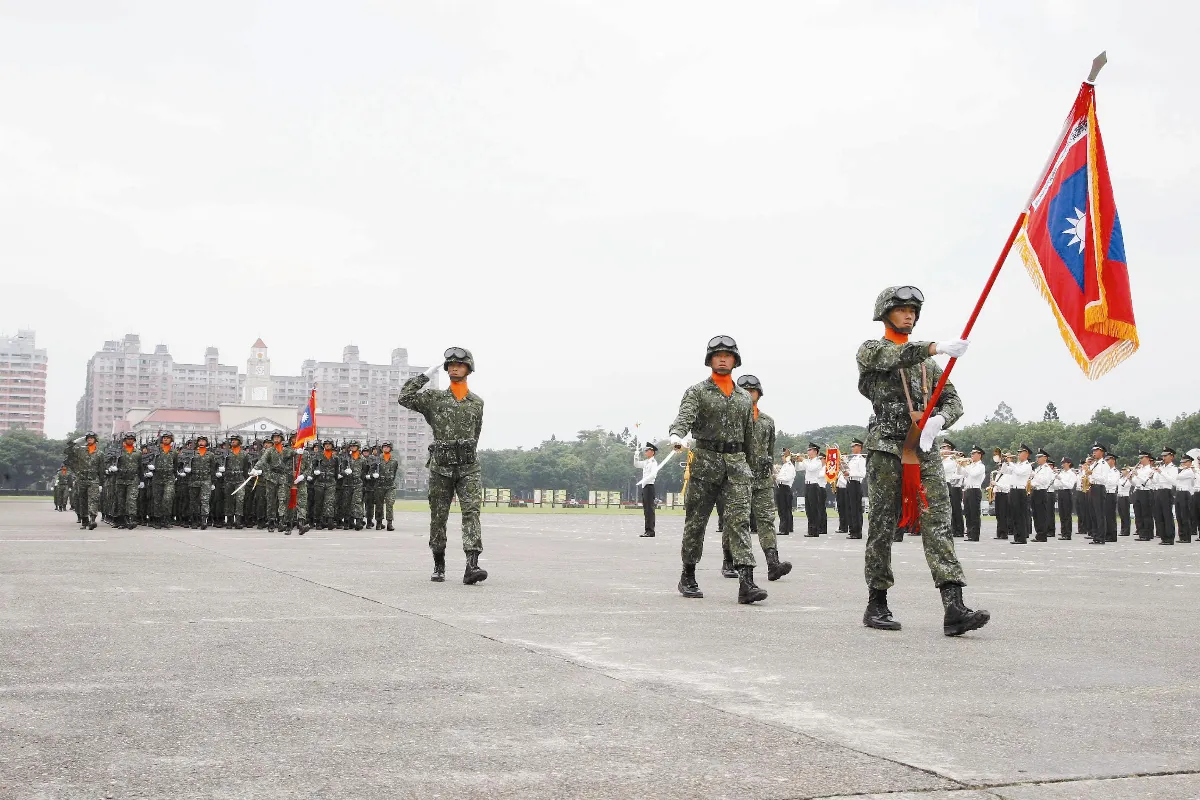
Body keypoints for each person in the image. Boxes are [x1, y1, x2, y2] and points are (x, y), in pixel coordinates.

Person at [856, 285, 988, 636]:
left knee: (939, 523)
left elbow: (953, 400)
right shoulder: (872, 350)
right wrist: (935, 346)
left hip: (924, 449)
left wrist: (939, 420)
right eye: (902, 309)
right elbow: (894, 356)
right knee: (883, 525)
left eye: (913, 310)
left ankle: (954, 607)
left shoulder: (929, 365)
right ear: (885, 314)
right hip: (887, 449)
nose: (909, 315)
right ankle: (877, 603)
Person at [668, 335, 767, 604]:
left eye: (727, 355)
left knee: (739, 522)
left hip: (736, 466)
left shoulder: (744, 398)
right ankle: (688, 574)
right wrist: (677, 435)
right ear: (710, 360)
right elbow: (684, 418)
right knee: (696, 522)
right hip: (705, 464)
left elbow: (749, 437)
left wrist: (753, 470)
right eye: (717, 355)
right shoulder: (697, 391)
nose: (722, 359)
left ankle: (747, 582)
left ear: (735, 360)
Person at [399, 347, 487, 585]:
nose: (454, 368)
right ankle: (439, 563)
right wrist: (424, 376)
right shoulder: (433, 398)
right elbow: (404, 397)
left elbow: (475, 434)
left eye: (459, 365)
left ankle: (472, 565)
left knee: (471, 513)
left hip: (468, 466)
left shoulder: (476, 403)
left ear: (469, 368)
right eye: (450, 365)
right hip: (441, 467)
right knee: (438, 517)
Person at [735, 374, 792, 581]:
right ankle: (728, 560)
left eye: (753, 391)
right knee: (737, 521)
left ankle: (773, 563)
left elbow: (770, 449)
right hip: (738, 478)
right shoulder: (733, 419)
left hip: (762, 478)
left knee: (766, 520)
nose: (749, 394)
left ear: (759, 394)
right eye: (745, 391)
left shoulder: (768, 421)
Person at [250, 430, 290, 533]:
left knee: (282, 499)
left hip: (282, 478)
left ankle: (281, 521)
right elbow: (262, 460)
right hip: (270, 478)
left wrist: (300, 451)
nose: (276, 439)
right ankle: (271, 521)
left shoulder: (285, 450)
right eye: (274, 437)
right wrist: (255, 468)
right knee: (270, 501)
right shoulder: (269, 451)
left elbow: (294, 454)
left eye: (278, 437)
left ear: (281, 439)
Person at [66, 432, 105, 530]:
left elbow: (101, 469)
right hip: (82, 479)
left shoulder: (100, 453)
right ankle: (84, 520)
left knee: (93, 499)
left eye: (91, 438)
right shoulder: (81, 450)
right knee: (82, 500)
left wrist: (101, 483)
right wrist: (78, 440)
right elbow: (68, 450)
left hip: (93, 480)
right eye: (88, 438)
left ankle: (92, 520)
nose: (89, 439)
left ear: (95, 440)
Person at [797, 444, 828, 537]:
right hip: (807, 485)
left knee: (814, 509)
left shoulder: (817, 462)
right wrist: (797, 461)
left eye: (810, 450)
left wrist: (803, 460)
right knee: (808, 509)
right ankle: (810, 530)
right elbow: (798, 468)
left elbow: (811, 468)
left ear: (815, 451)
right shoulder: (808, 461)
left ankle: (815, 530)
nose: (808, 452)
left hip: (814, 485)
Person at [1085, 443, 1113, 545]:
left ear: (1101, 452)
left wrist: (1092, 474)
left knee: (1099, 513)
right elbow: (1090, 476)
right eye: (1093, 451)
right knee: (1092, 513)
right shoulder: (1094, 464)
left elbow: (1104, 479)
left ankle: (1101, 537)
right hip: (1092, 487)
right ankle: (1095, 535)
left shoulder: (1104, 464)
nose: (1094, 453)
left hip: (1099, 488)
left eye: (1096, 451)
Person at [113, 432, 141, 529]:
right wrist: (112, 468)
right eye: (128, 439)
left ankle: (132, 519)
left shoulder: (138, 452)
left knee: (131, 499)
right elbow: (112, 462)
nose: (130, 440)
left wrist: (141, 480)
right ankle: (122, 521)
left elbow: (140, 467)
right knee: (121, 500)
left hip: (133, 479)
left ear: (134, 441)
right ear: (125, 440)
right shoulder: (119, 452)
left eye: (132, 439)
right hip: (121, 479)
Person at [633, 440, 661, 537]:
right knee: (646, 510)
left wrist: (643, 480)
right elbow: (636, 464)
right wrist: (636, 455)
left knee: (650, 510)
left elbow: (653, 475)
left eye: (647, 450)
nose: (645, 452)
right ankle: (647, 530)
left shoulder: (653, 463)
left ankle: (651, 531)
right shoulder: (646, 462)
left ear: (652, 452)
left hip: (649, 486)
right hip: (645, 486)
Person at [1008, 444, 1033, 544]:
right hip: (1013, 490)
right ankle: (1017, 537)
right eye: (1018, 452)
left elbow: (1019, 472)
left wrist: (1010, 462)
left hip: (1020, 491)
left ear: (1026, 454)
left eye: (1020, 452)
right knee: (1014, 515)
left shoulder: (1027, 466)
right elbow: (1006, 471)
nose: (1018, 454)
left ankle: (1022, 538)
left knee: (1020, 515)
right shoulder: (1017, 465)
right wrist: (1005, 462)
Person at [224, 435, 251, 529]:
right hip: (229, 479)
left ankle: (238, 520)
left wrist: (247, 478)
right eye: (232, 440)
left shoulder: (244, 454)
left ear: (239, 442)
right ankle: (229, 520)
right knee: (229, 500)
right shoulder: (227, 453)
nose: (233, 442)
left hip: (240, 480)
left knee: (240, 500)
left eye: (235, 440)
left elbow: (246, 467)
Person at [961, 445, 986, 542]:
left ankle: (975, 535)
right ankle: (969, 533)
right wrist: (959, 465)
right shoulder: (970, 466)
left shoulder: (981, 466)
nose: (971, 455)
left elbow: (973, 474)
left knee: (974, 513)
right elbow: (961, 473)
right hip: (967, 489)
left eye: (973, 453)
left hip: (975, 490)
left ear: (979, 455)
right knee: (968, 513)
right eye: (971, 453)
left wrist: (965, 466)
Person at [311, 440, 339, 530]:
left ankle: (329, 520)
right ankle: (318, 521)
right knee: (318, 502)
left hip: (331, 482)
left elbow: (337, 470)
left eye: (329, 444)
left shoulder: (335, 458)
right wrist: (314, 472)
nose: (327, 446)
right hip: (319, 482)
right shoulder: (318, 456)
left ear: (332, 446)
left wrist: (336, 478)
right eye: (326, 444)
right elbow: (312, 467)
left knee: (329, 501)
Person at [1154, 448, 1179, 545]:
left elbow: (1174, 481)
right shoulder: (1162, 467)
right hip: (1159, 490)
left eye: (1165, 456)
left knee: (1167, 515)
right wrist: (1154, 475)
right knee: (1159, 515)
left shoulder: (1173, 468)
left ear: (1171, 457)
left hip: (1167, 491)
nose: (1163, 458)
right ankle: (1163, 537)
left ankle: (1169, 537)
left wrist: (1161, 472)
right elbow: (1156, 481)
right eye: (1163, 456)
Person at [1030, 448, 1056, 541]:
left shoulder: (1047, 469)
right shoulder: (1038, 468)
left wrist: (1034, 477)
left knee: (1041, 514)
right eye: (1037, 457)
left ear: (1045, 458)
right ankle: (1038, 533)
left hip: (1041, 491)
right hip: (1035, 491)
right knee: (1036, 514)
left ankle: (1042, 535)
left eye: (1039, 457)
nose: (1037, 459)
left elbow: (1045, 481)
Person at [940, 441, 965, 538]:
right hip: (943, 484)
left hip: (950, 484)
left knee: (955, 509)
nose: (943, 450)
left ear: (950, 449)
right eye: (942, 448)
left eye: (945, 448)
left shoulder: (951, 461)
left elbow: (943, 469)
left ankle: (959, 530)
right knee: (947, 508)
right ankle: (952, 529)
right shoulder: (942, 460)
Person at [845, 439, 866, 539]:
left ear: (860, 447)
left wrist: (850, 474)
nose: (852, 448)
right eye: (852, 446)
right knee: (850, 508)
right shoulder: (852, 459)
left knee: (856, 509)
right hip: (849, 483)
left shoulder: (861, 459)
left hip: (856, 483)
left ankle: (857, 531)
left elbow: (863, 473)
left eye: (854, 446)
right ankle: (852, 529)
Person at [376, 441, 399, 531]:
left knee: (390, 504)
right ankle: (379, 522)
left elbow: (395, 472)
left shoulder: (394, 460)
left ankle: (389, 523)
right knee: (379, 505)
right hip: (380, 485)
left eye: (387, 447)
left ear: (390, 448)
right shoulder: (378, 459)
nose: (385, 448)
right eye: (384, 447)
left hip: (390, 486)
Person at [1132, 451, 1155, 540]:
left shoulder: (1150, 470)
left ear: (1148, 458)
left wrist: (1138, 475)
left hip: (1146, 491)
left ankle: (1147, 534)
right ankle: (1141, 533)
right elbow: (1135, 483)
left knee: (1146, 514)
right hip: (1138, 491)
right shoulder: (1140, 469)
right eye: (1140, 458)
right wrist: (1131, 478)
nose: (1140, 460)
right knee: (1138, 513)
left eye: (1142, 458)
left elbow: (1147, 482)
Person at [1052, 457, 1077, 540]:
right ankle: (1063, 532)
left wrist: (1061, 479)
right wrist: (1055, 480)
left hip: (1067, 492)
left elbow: (1070, 485)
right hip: (1060, 492)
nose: (1062, 464)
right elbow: (1056, 485)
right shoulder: (1061, 473)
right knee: (1061, 514)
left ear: (1069, 463)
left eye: (1064, 463)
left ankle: (1068, 533)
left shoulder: (1071, 474)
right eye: (1062, 463)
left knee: (1067, 514)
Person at [775, 452, 796, 536]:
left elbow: (787, 478)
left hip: (785, 488)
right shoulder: (784, 466)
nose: (782, 458)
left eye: (783, 456)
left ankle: (784, 529)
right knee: (781, 510)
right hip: (780, 487)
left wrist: (777, 477)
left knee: (785, 510)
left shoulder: (790, 466)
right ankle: (784, 528)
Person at [1177, 454, 1196, 544]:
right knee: (1179, 516)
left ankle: (1187, 537)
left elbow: (1177, 477)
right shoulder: (1183, 470)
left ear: (1189, 462)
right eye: (1182, 462)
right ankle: (1182, 536)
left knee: (1185, 515)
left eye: (1185, 462)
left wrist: (1177, 469)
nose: (1183, 464)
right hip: (1179, 492)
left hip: (1185, 493)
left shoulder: (1189, 472)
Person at [1116, 467, 1133, 537]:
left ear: (1127, 472)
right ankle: (1122, 529)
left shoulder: (1128, 479)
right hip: (1119, 497)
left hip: (1125, 497)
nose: (1122, 471)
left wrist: (1129, 477)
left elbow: (1125, 486)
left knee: (1125, 514)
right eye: (1122, 470)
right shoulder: (1120, 478)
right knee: (1121, 514)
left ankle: (1126, 530)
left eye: (1124, 470)